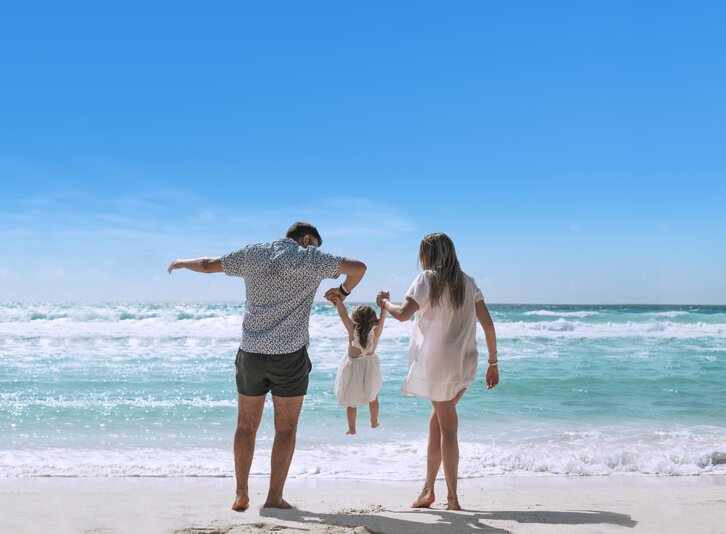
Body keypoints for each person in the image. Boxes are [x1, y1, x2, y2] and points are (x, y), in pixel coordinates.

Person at [167, 222, 366, 511]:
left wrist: (182, 262)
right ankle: (274, 497)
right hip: (290, 355)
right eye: (315, 244)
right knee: (285, 429)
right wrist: (343, 291)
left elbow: (209, 265)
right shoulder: (310, 258)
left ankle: (241, 494)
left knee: (245, 426)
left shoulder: (253, 253)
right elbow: (358, 267)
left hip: (251, 354)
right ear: (308, 239)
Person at [376, 232, 498, 511]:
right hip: (465, 362)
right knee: (438, 421)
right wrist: (493, 363)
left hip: (438, 363)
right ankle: (428, 489)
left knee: (448, 428)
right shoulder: (468, 283)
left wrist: (384, 303)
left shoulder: (427, 278)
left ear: (427, 255)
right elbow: (489, 327)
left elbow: (403, 314)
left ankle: (452, 497)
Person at [327, 295, 386, 435]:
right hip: (370, 366)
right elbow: (383, 318)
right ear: (373, 320)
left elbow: (343, 314)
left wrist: (338, 301)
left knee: (351, 399)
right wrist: (383, 305)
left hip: (354, 367)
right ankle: (374, 421)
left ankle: (352, 428)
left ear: (356, 320)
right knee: (373, 395)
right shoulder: (376, 331)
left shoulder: (352, 330)